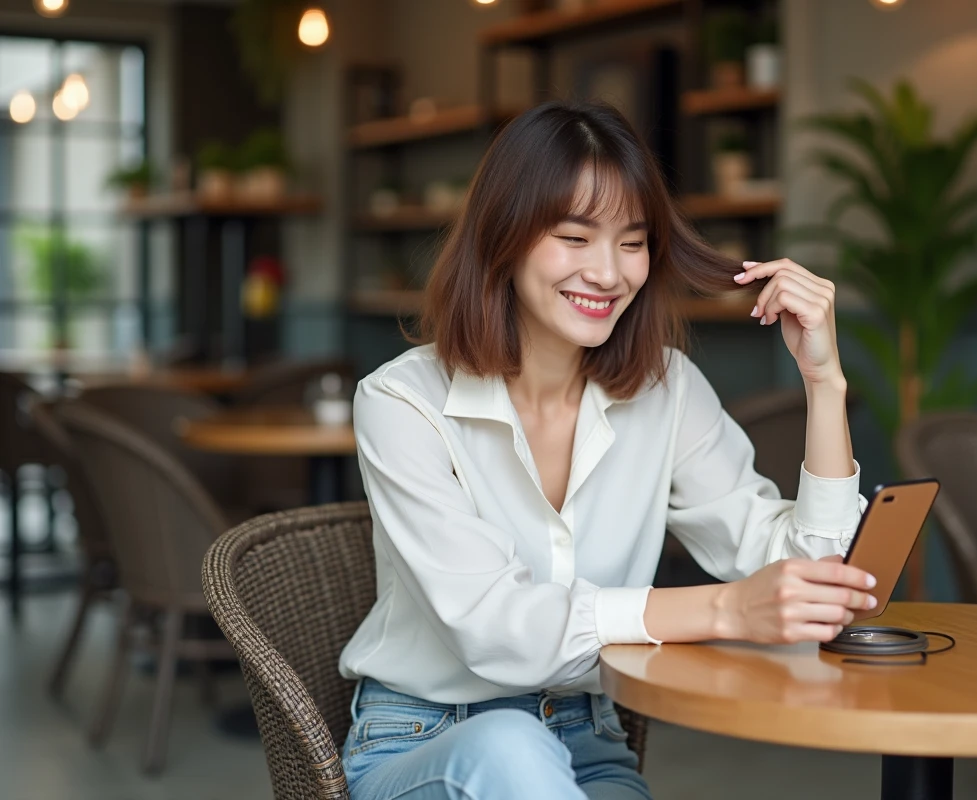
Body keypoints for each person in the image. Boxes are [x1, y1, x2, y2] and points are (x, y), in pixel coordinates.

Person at [338, 100, 876, 800]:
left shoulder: (667, 389)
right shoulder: (401, 402)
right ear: (504, 238)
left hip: (586, 742)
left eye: (631, 242)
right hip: (426, 741)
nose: (608, 273)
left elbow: (814, 576)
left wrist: (824, 382)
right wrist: (726, 610)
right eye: (574, 237)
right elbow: (496, 629)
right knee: (509, 748)